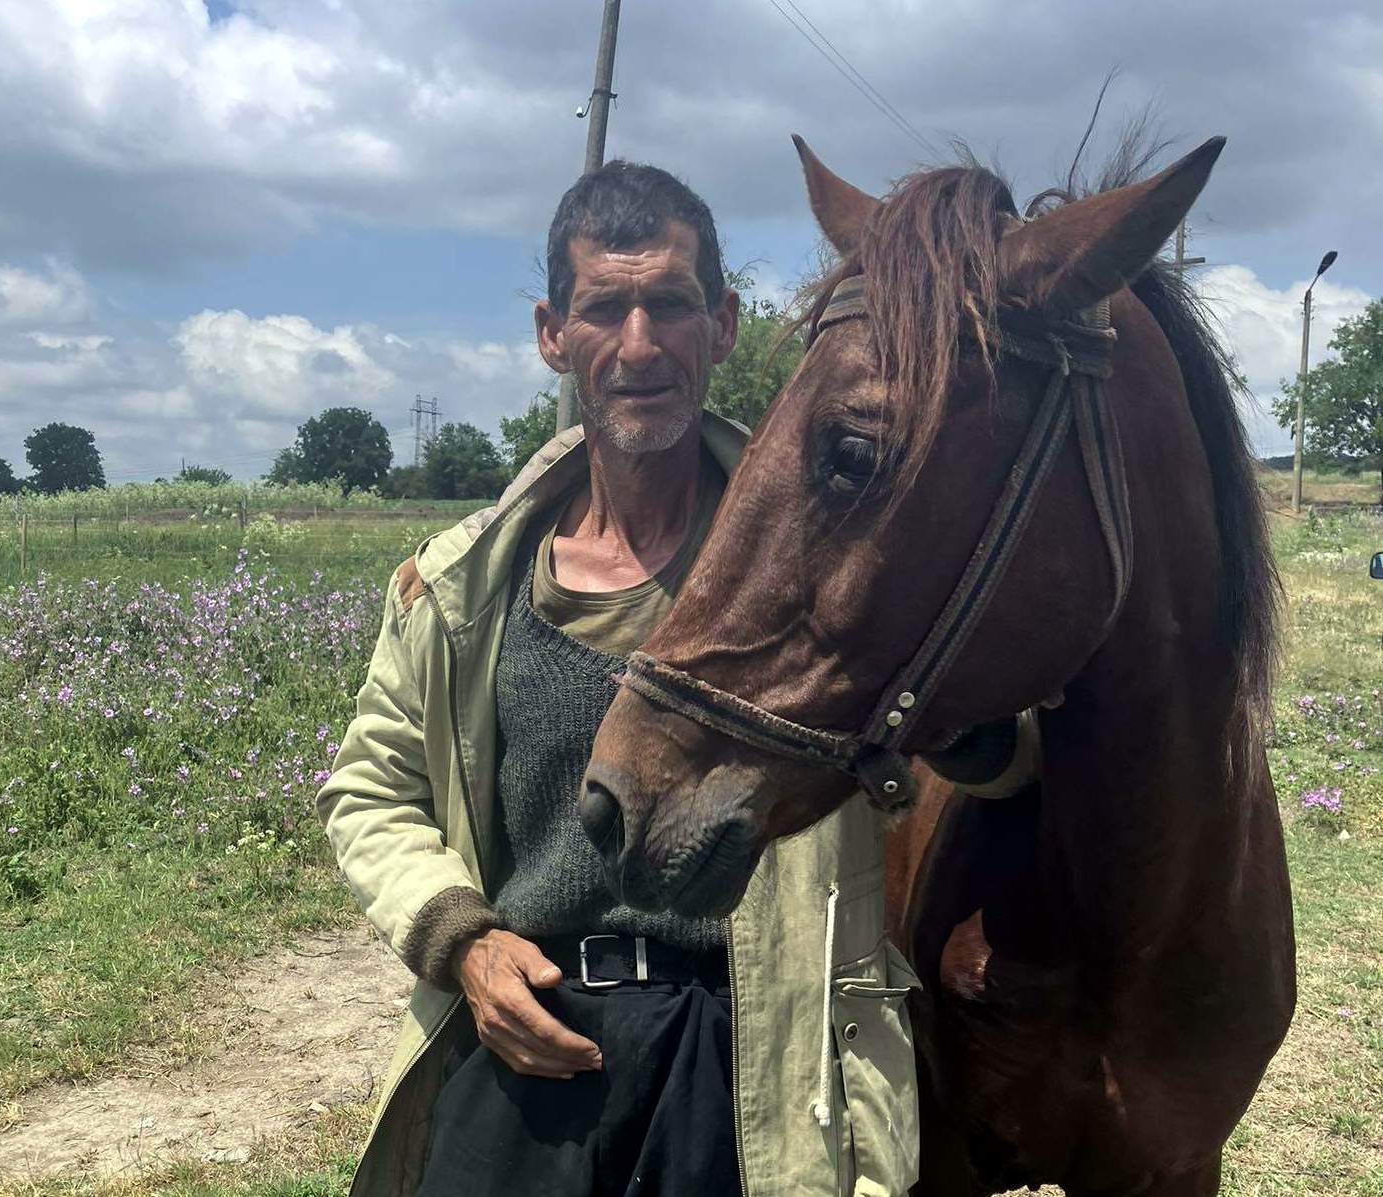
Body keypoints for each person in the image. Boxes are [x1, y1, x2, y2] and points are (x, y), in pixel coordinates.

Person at [317, 161, 1030, 1197]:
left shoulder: (843, 558)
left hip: (751, 1063)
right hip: (524, 1036)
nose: (640, 345)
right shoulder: (464, 580)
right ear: (553, 334)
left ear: (725, 323)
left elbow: (1002, 764)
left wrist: (961, 731)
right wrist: (463, 944)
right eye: (605, 307)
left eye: (672, 304)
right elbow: (370, 790)